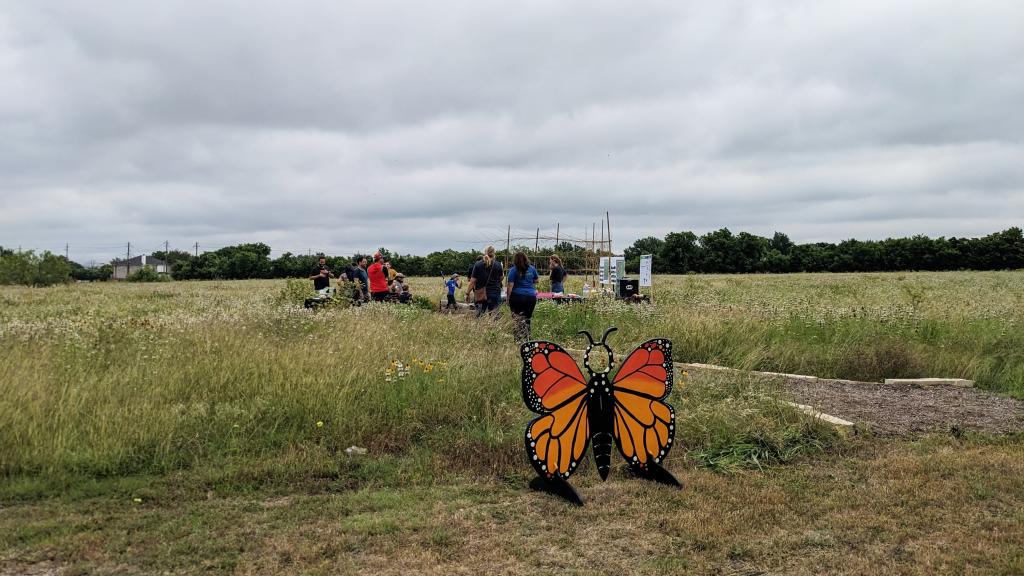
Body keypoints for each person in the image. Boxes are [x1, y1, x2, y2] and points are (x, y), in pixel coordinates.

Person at [507, 251, 539, 341]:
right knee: (527, 319)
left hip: (517, 297)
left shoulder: (513, 270)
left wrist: (508, 297)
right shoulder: (532, 269)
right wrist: (528, 281)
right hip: (531, 297)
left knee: (516, 318)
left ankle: (517, 339)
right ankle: (527, 339)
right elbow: (536, 280)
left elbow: (510, 284)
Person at [467, 245, 503, 317]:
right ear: (494, 253)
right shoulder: (498, 265)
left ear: (485, 252)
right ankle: (494, 328)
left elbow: (473, 281)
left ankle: (481, 327)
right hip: (494, 292)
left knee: (480, 315)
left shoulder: (478, 264)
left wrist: (467, 293)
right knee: (494, 315)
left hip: (480, 293)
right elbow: (501, 278)